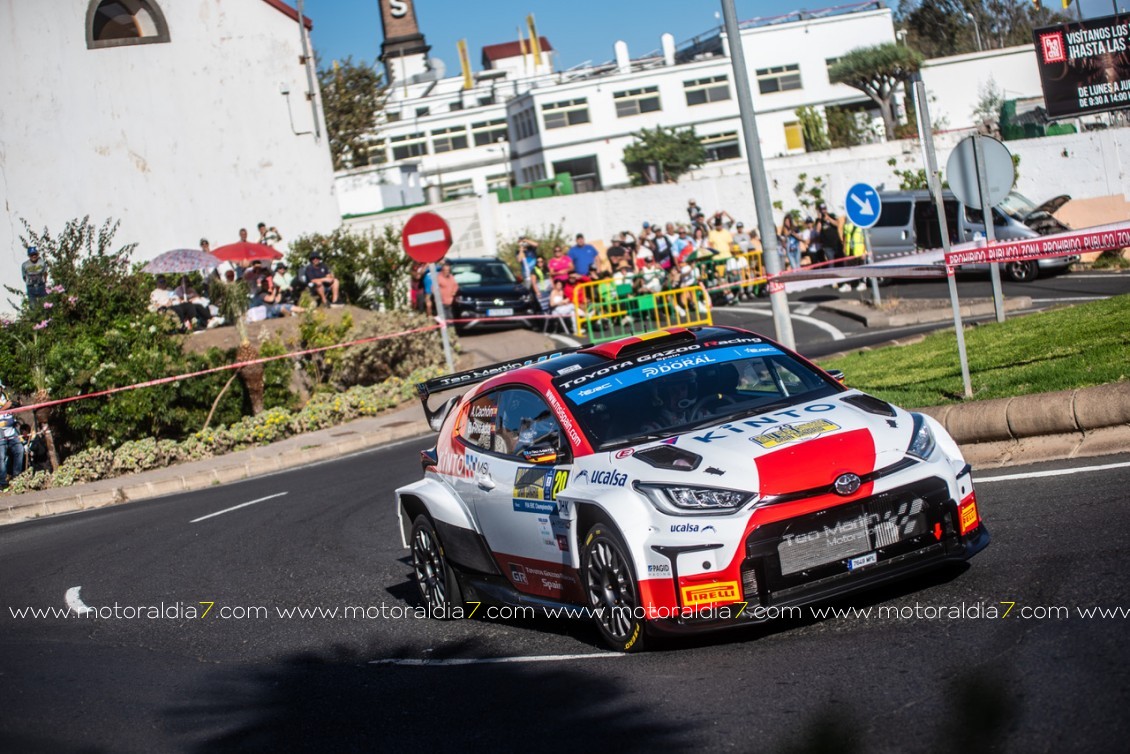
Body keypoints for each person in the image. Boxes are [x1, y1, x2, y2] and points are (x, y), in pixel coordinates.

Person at [0, 383, 26, 489]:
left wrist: (18, 405)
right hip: (1, 431)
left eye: (0, 387)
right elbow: (5, 408)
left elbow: (13, 408)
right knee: (1, 457)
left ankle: (17, 477)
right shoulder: (5, 402)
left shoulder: (6, 397)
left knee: (19, 450)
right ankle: (2, 482)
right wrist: (4, 408)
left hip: (11, 431)